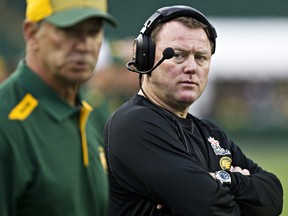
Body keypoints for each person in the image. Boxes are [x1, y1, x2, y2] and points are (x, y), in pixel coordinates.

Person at [104, 5, 283, 216]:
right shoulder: (134, 124)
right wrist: (239, 188)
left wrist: (223, 180)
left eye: (201, 57)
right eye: (178, 55)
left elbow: (272, 198)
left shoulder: (211, 133)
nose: (191, 67)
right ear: (146, 56)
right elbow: (208, 208)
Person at [0, 0, 116, 215]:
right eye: (69, 31)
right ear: (32, 33)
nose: (85, 45)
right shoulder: (6, 122)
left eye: (94, 31)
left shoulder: (91, 113)